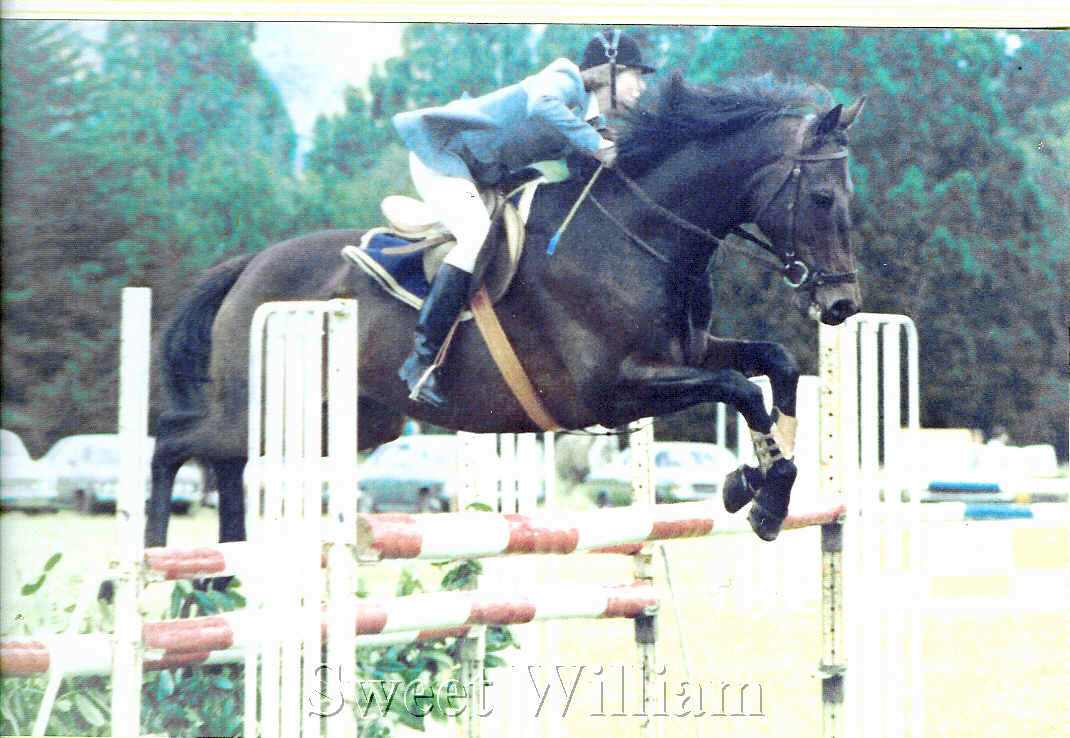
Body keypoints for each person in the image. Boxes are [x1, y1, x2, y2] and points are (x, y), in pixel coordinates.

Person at [393, 29, 655, 408]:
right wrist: (598, 145)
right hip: (440, 156)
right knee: (475, 234)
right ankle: (420, 361)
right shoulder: (563, 77)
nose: (642, 87)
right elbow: (540, 105)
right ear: (609, 71)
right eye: (636, 75)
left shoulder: (588, 118)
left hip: (480, 172)